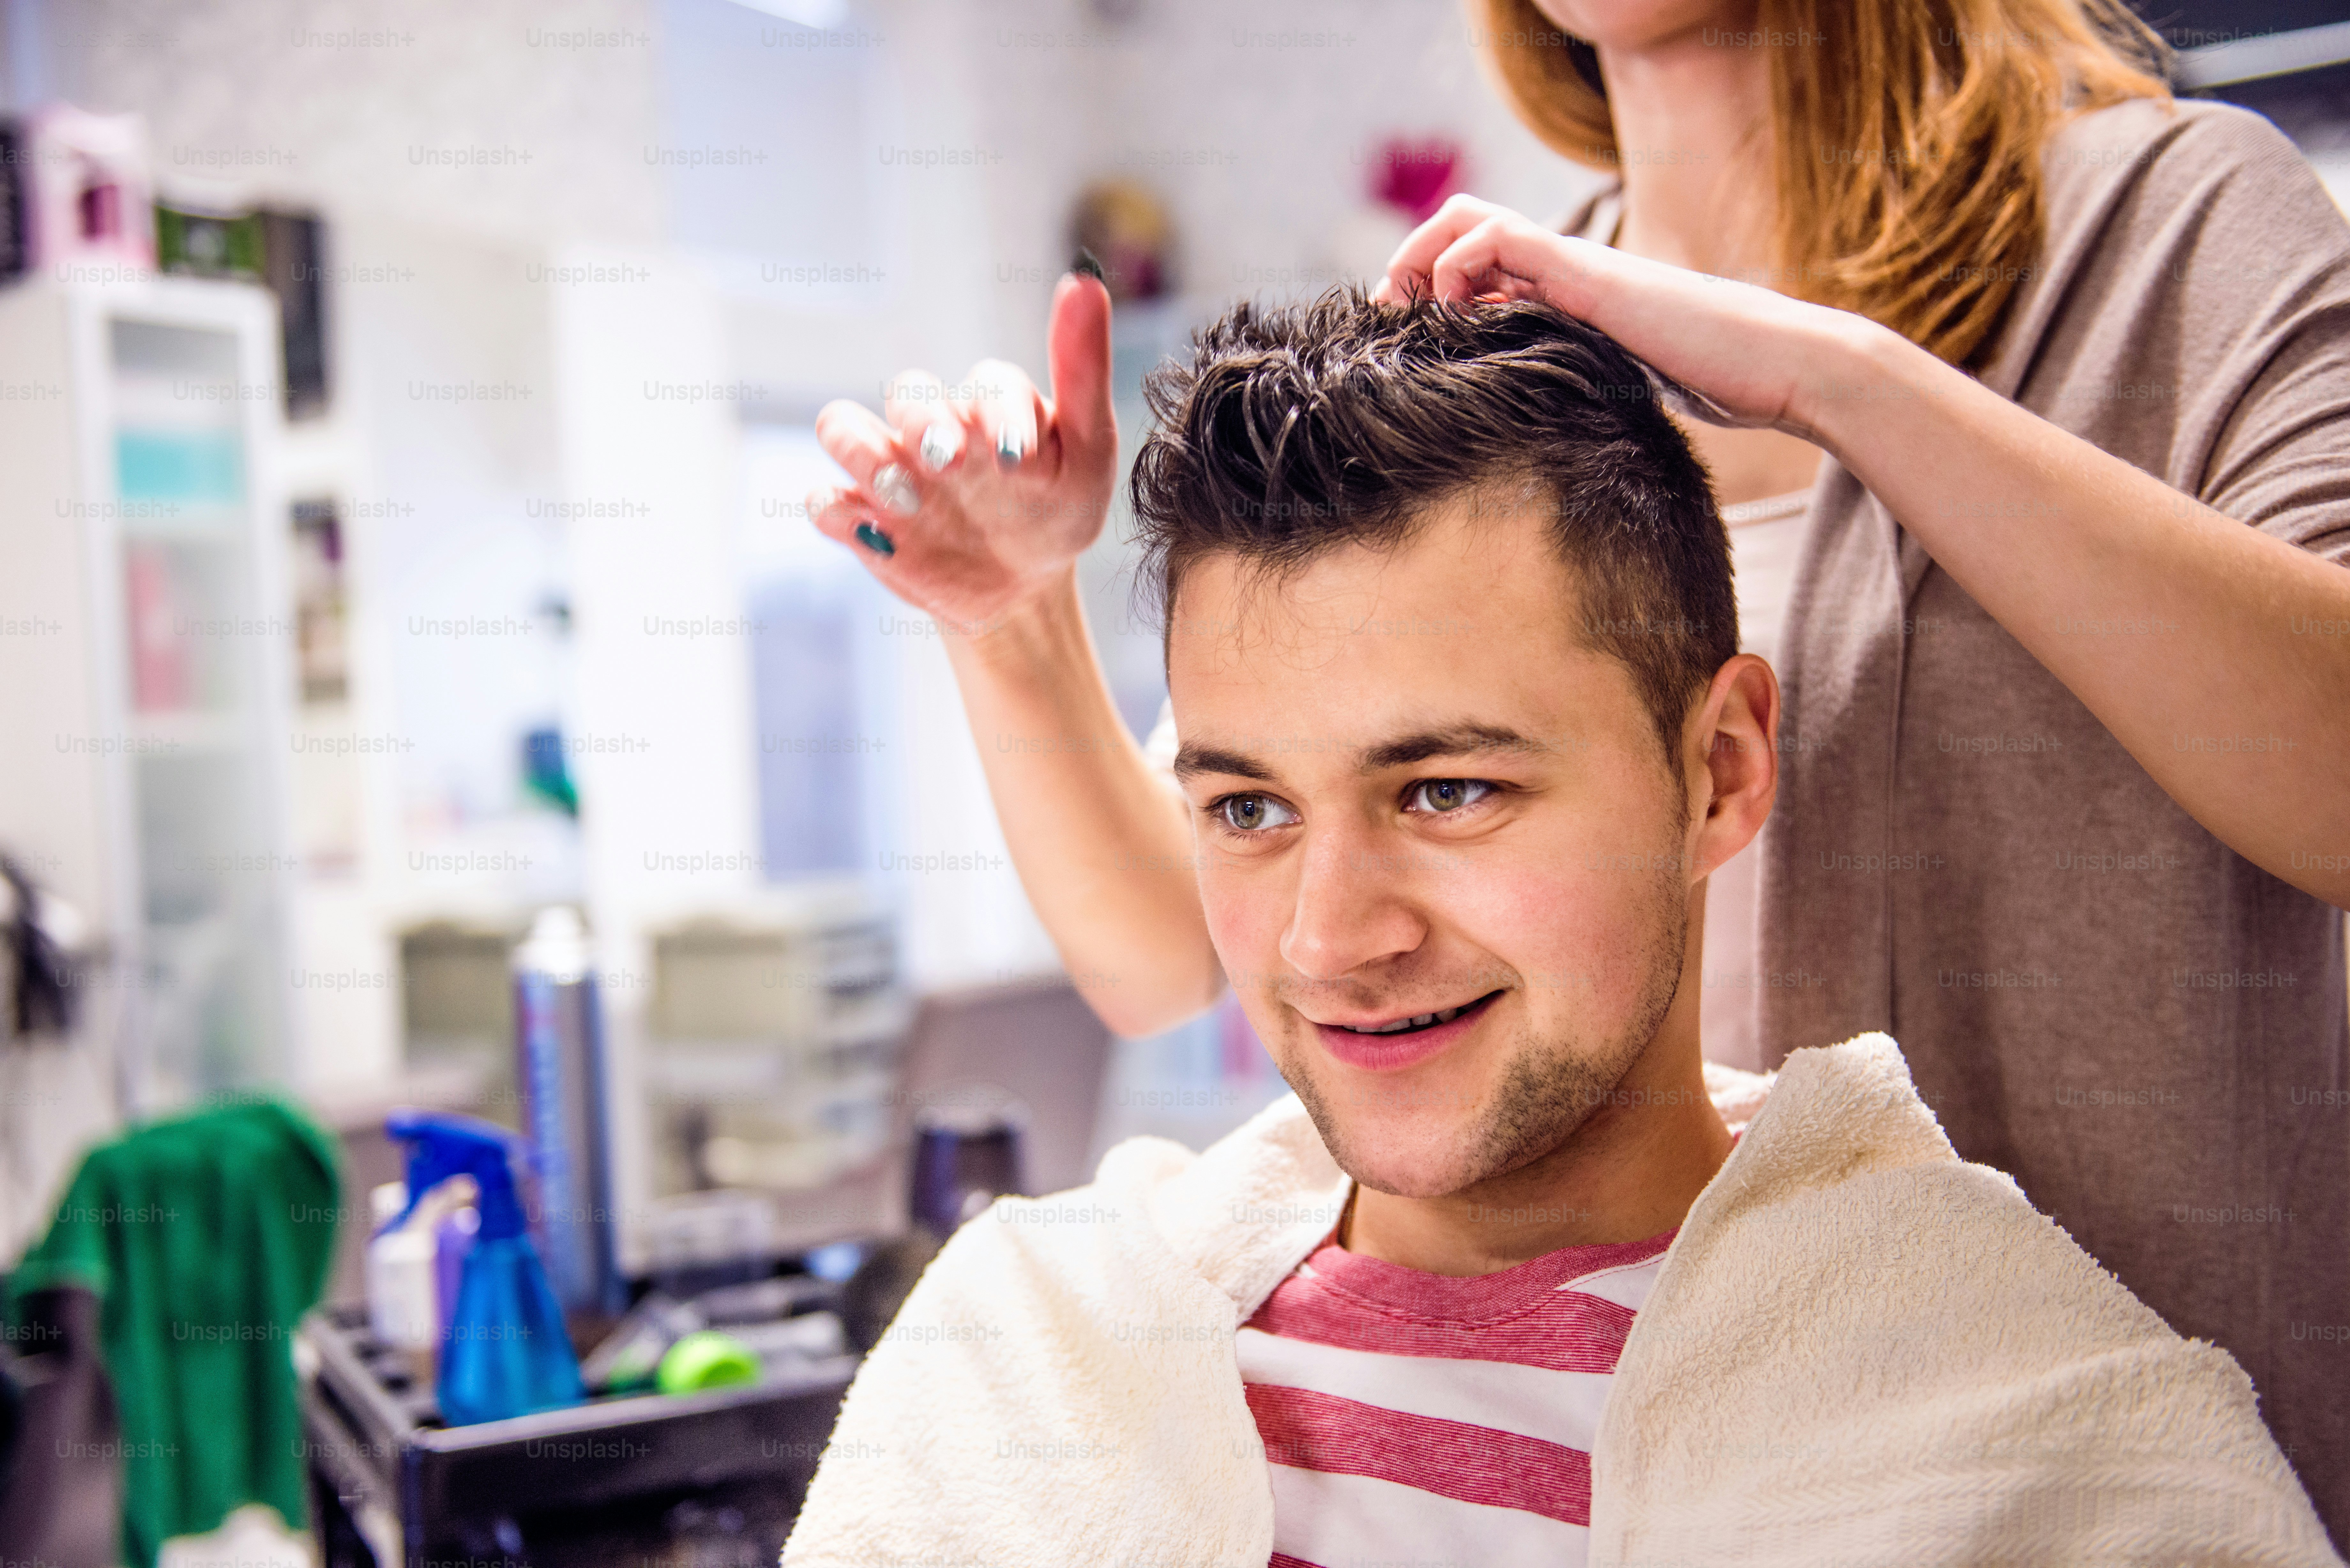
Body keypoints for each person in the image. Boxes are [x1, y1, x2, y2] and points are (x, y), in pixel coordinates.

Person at [805, 1, 2350, 1538]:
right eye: (1265, 811)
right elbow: (1176, 942)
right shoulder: (1505, 328)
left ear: (1721, 766)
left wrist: (1842, 384)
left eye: (1452, 788)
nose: (1339, 925)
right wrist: (1014, 624)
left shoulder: (2169, 229)